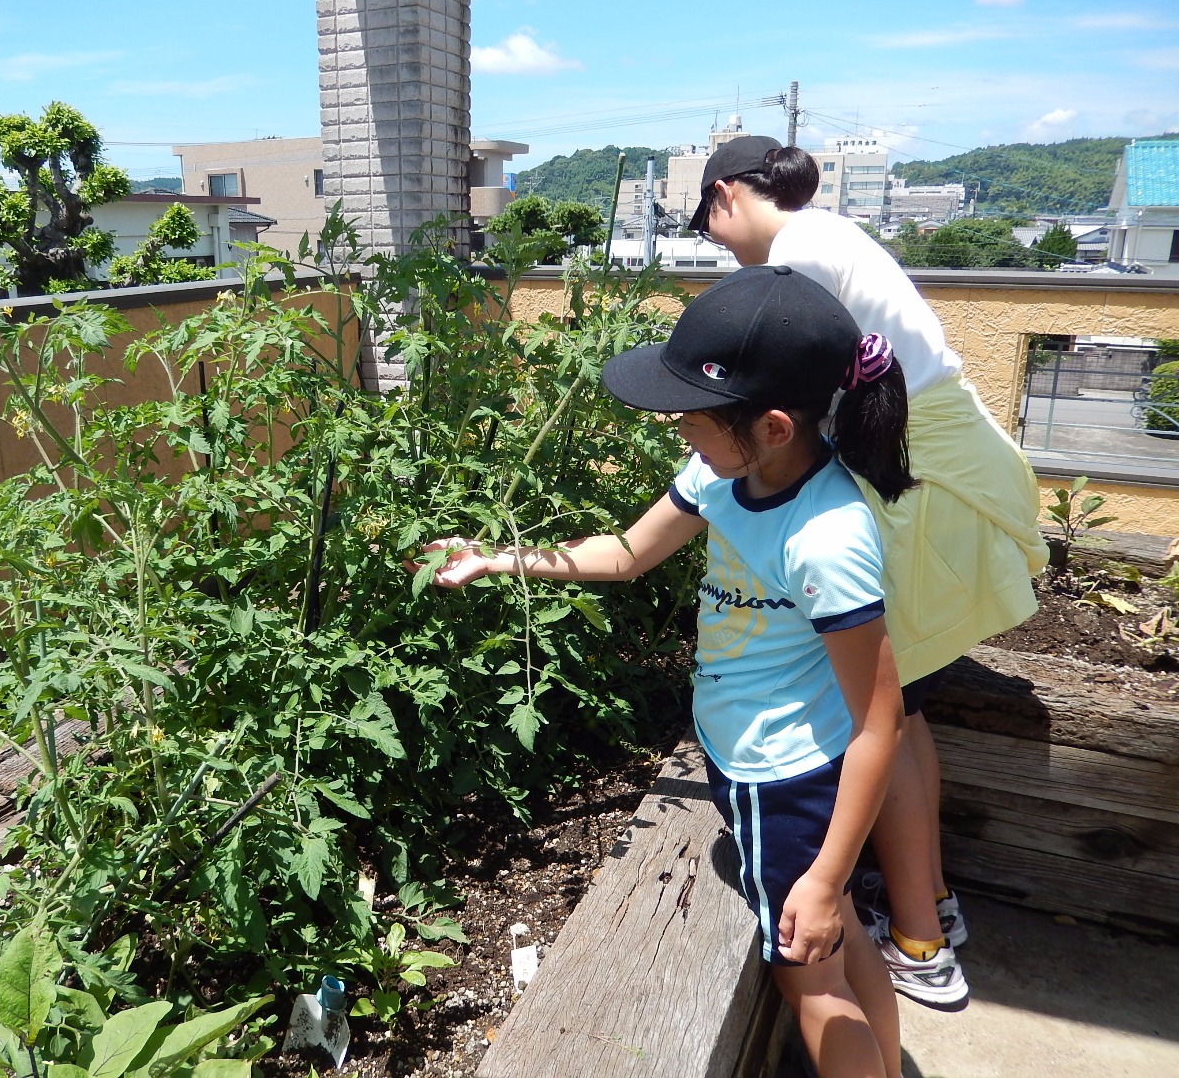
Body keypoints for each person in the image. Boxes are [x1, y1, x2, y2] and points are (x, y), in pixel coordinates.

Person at [413, 265, 909, 1078]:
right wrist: (494, 560)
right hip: (755, 760)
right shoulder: (725, 471)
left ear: (775, 426)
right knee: (843, 941)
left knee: (809, 985)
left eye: (690, 414)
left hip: (781, 780)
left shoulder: (826, 536)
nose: (675, 426)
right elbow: (628, 554)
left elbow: (879, 723)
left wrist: (821, 877)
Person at [691, 134, 1048, 1008]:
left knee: (885, 716)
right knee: (906, 705)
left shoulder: (799, 252)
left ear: (727, 193)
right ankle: (931, 911)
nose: (717, 242)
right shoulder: (831, 235)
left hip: (912, 479)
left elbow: (780, 382)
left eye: (708, 221)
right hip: (917, 464)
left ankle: (922, 942)